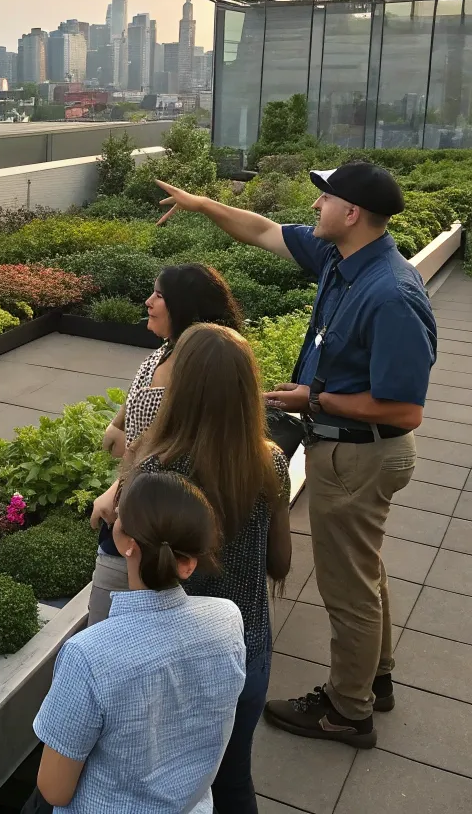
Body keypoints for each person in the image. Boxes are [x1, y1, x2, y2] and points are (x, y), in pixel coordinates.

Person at [157, 161, 437, 749]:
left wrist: (317, 396)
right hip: (347, 449)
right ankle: (375, 680)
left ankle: (348, 710)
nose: (315, 207)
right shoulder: (342, 257)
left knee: (348, 588)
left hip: (360, 457)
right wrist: (203, 204)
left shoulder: (390, 293)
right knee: (365, 570)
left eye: (325, 198)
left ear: (351, 213)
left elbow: (405, 410)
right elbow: (261, 230)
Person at [116, 323, 292, 814]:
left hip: (173, 661)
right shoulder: (269, 461)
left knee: (163, 788)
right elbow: (280, 560)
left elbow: (140, 567)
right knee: (234, 781)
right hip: (246, 648)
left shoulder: (157, 472)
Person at [31, 472, 246, 814]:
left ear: (125, 541)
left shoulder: (88, 655)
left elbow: (55, 790)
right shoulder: (227, 619)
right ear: (189, 557)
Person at [91, 263, 243, 625]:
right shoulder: (169, 353)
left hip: (149, 516)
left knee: (106, 624)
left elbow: (160, 450)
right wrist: (119, 426)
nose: (148, 301)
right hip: (140, 504)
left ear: (185, 306)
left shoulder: (196, 374)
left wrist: (115, 491)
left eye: (159, 295)